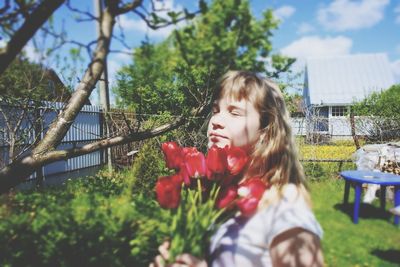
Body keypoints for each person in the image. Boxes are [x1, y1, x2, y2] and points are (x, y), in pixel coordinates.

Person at [151, 70, 324, 267]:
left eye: (234, 112)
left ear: (265, 131)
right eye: (216, 110)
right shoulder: (217, 194)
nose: (215, 121)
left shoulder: (285, 207)